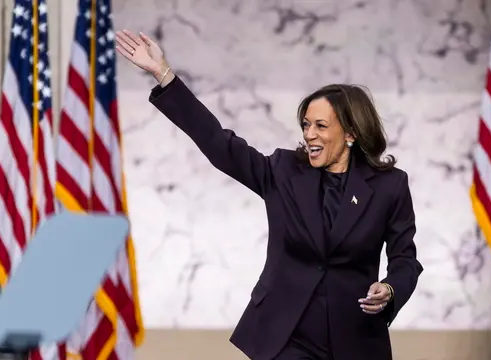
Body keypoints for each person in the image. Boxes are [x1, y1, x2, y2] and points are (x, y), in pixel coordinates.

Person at [115, 29, 423, 360]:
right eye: (306, 125)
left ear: (350, 133)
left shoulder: (389, 186)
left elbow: (405, 259)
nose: (309, 134)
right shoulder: (285, 171)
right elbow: (220, 145)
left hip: (355, 340)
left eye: (320, 126)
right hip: (288, 337)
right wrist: (164, 75)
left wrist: (390, 289)